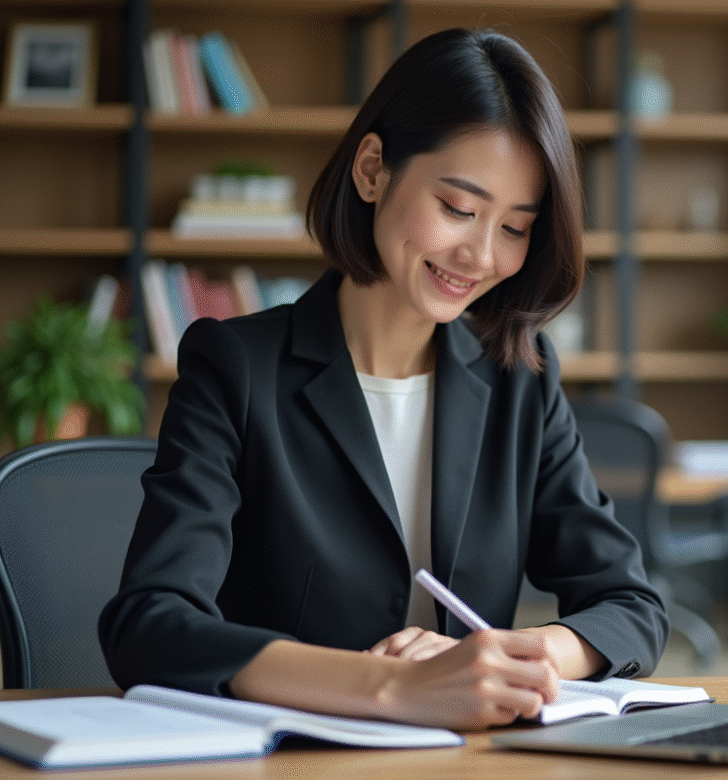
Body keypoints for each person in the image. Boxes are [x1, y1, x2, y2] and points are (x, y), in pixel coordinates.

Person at [99, 27, 668, 730]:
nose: (482, 255)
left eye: (516, 227)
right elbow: (149, 625)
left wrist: (513, 656)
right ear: (372, 169)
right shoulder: (235, 368)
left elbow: (632, 608)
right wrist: (390, 687)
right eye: (458, 208)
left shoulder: (521, 379)